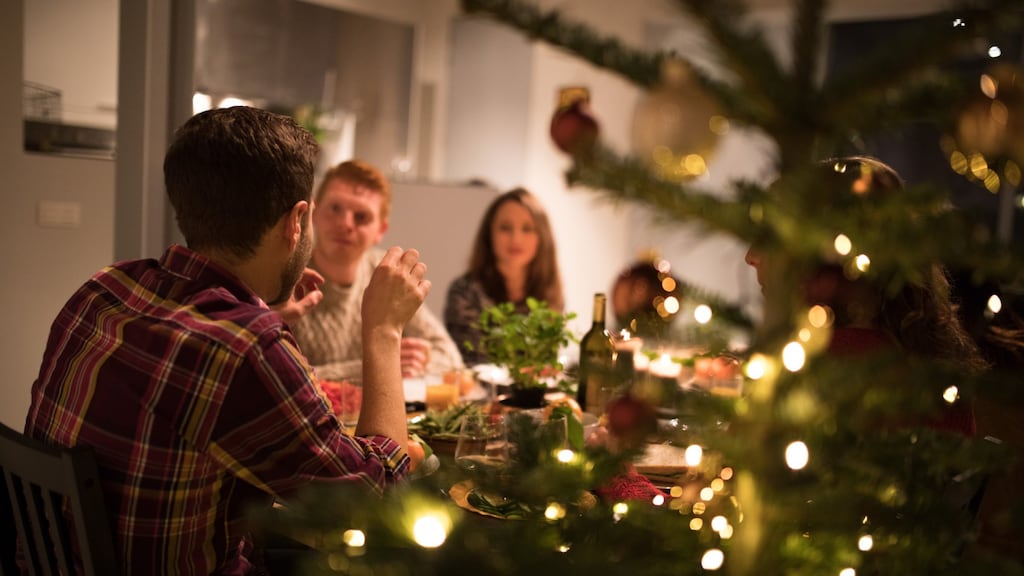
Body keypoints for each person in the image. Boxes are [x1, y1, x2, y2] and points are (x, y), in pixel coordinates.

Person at [24, 106, 429, 575]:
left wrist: (263, 316)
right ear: (296, 220)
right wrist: (382, 332)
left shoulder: (104, 290)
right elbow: (378, 503)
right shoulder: (245, 349)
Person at [743, 156, 984, 435]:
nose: (751, 256)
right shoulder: (938, 373)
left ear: (825, 256)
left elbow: (734, 466)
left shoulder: (806, 371)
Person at [290, 159, 463, 380]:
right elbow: (282, 378)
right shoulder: (287, 273)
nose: (345, 224)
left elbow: (450, 356)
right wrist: (379, 364)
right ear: (314, 212)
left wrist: (421, 361)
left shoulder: (387, 273)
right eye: (335, 208)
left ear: (380, 230)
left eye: (361, 217)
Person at [444, 187, 565, 365]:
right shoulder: (465, 291)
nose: (516, 239)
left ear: (542, 237)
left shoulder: (549, 292)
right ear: (489, 235)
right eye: (505, 228)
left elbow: (545, 366)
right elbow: (472, 365)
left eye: (527, 228)